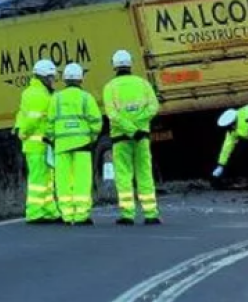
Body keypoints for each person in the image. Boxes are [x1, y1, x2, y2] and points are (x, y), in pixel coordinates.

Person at [103, 49, 162, 226]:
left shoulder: (110, 87)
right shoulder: (143, 84)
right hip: (142, 136)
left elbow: (112, 114)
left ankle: (127, 214)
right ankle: (151, 214)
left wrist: (129, 129)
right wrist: (137, 126)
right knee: (144, 173)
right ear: (130, 64)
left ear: (114, 65)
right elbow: (153, 108)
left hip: (121, 138)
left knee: (123, 175)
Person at [47, 63, 102, 225]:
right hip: (82, 146)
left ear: (64, 79)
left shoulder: (56, 98)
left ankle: (67, 215)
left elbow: (49, 124)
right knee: (82, 181)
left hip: (61, 147)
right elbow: (96, 122)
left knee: (63, 181)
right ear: (80, 79)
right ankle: (81, 216)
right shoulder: (86, 98)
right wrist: (91, 137)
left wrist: (53, 138)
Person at [13, 59, 60, 224]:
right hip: (37, 144)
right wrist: (23, 132)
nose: (54, 80)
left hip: (41, 144)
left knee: (46, 179)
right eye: (52, 77)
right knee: (39, 179)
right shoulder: (38, 94)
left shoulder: (34, 92)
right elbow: (33, 119)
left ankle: (49, 210)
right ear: (44, 77)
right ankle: (34, 212)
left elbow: (21, 115)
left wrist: (21, 130)